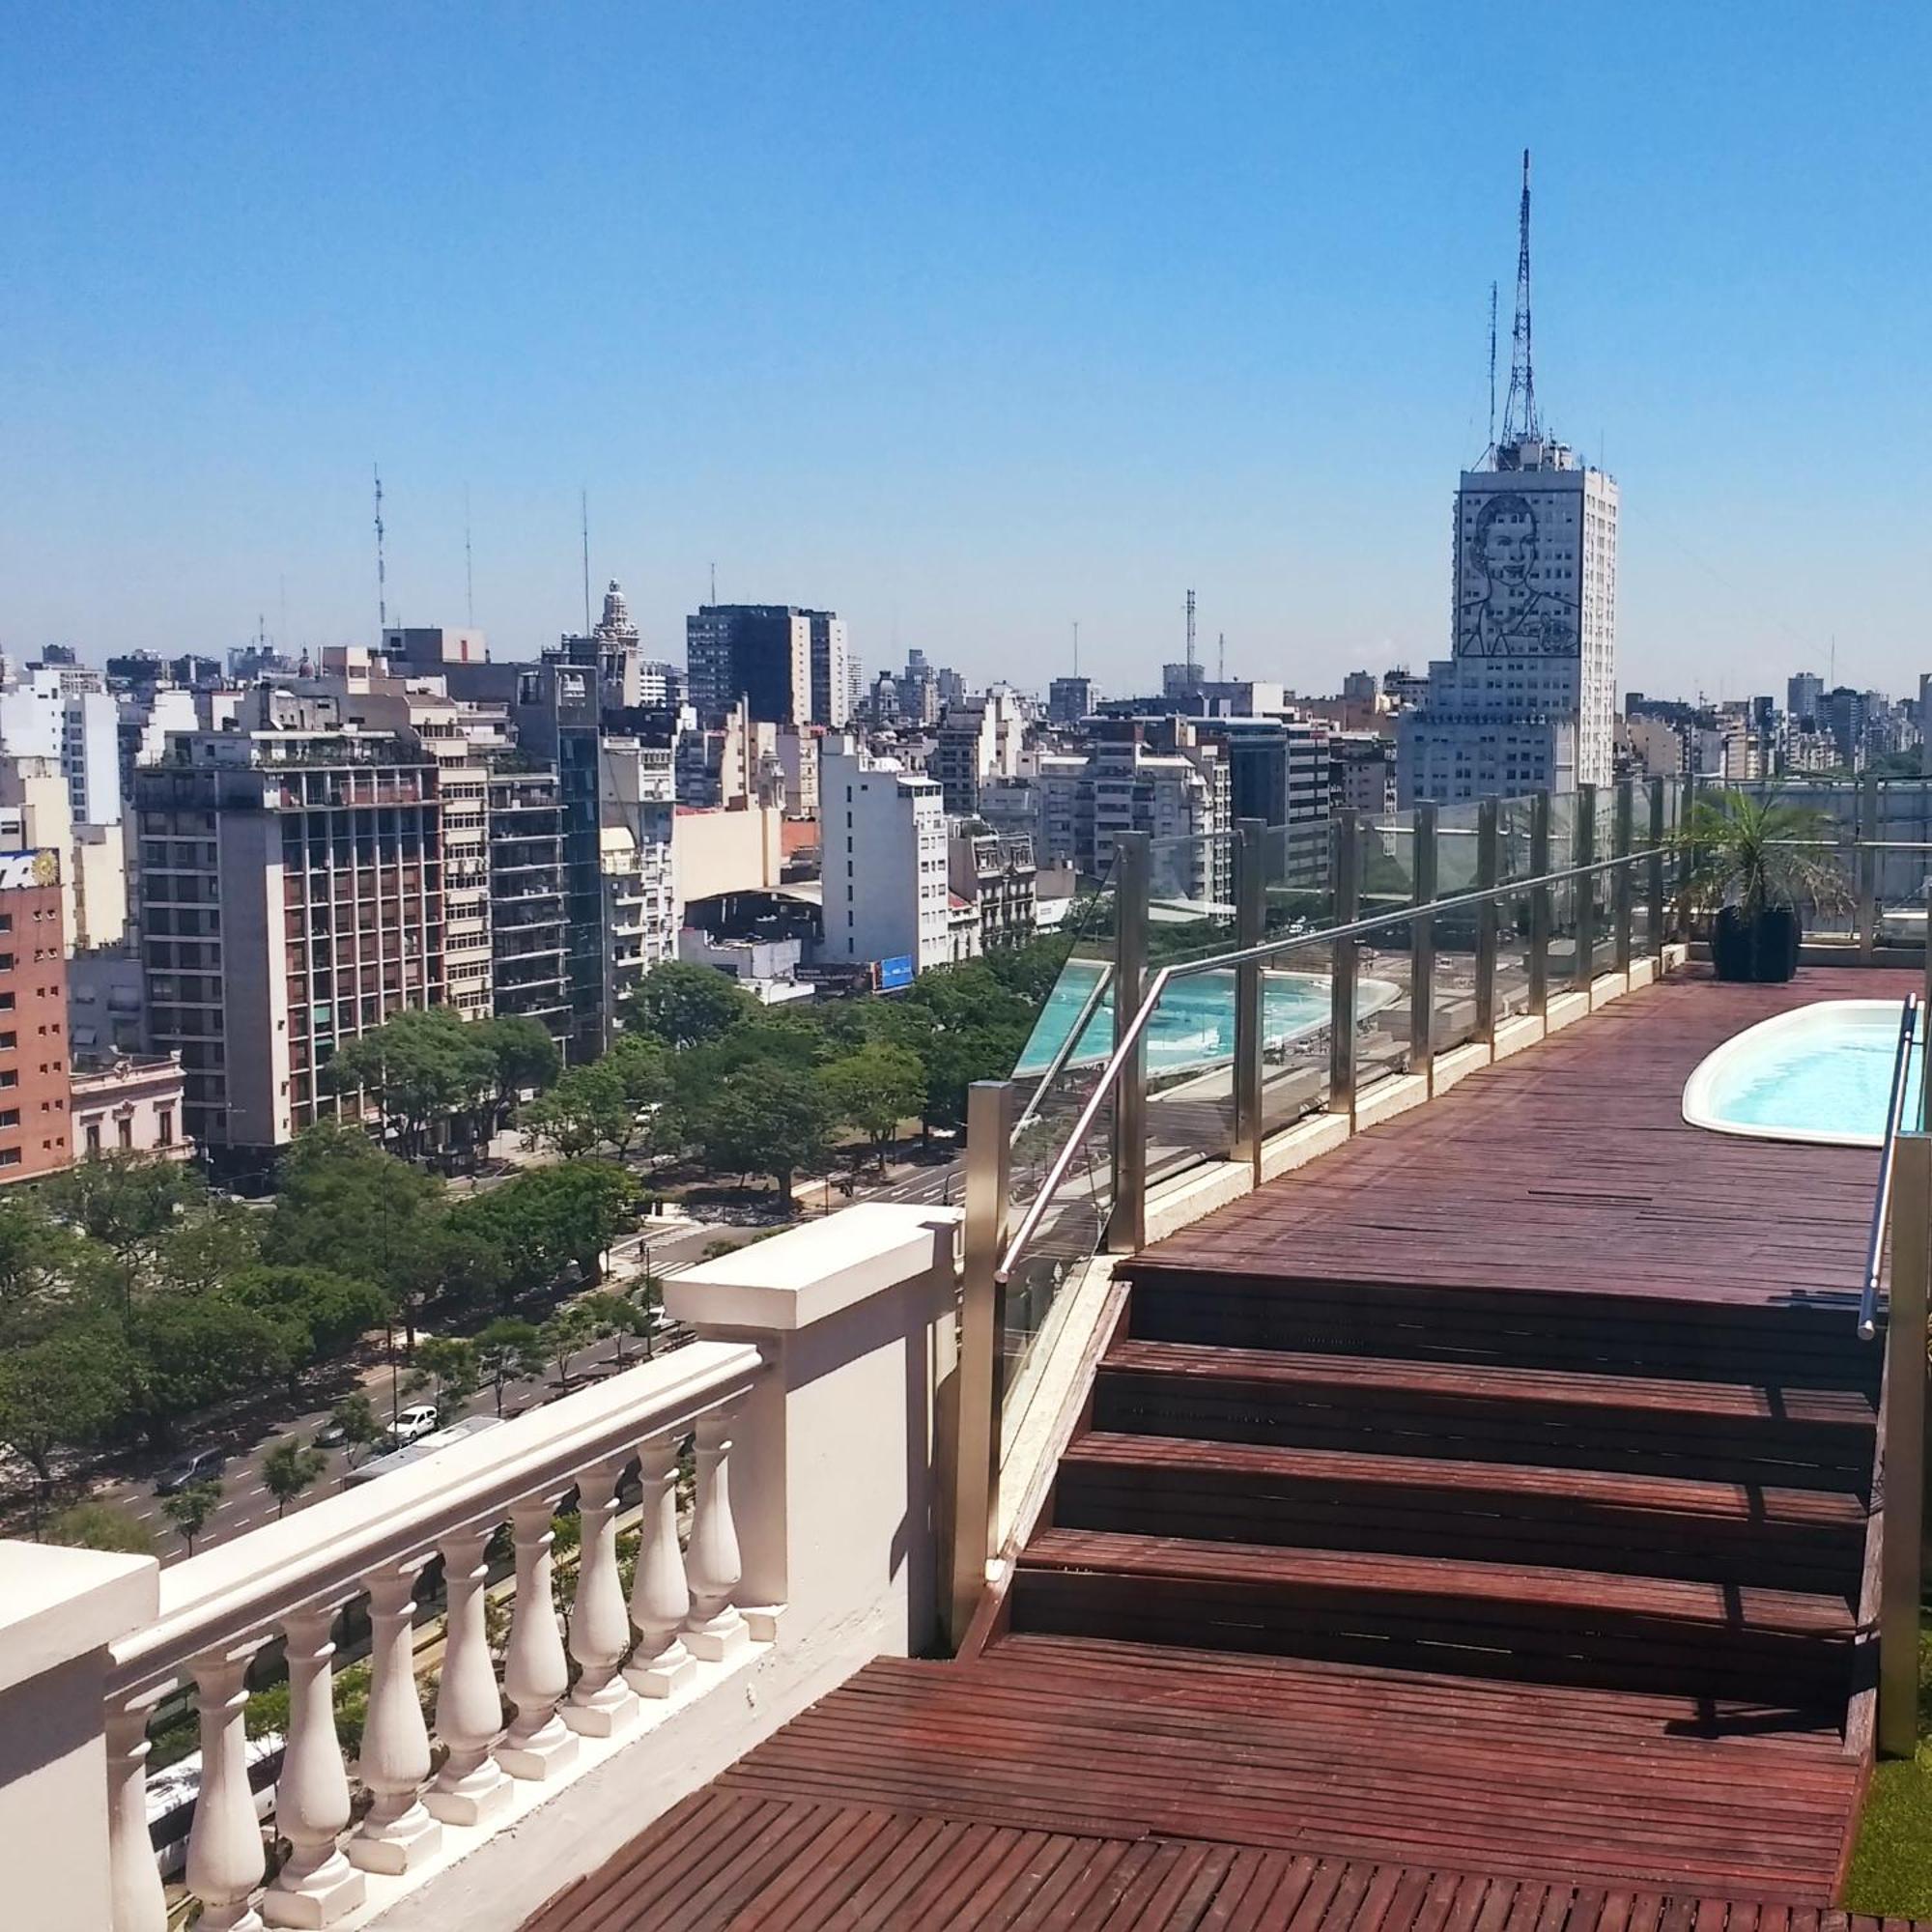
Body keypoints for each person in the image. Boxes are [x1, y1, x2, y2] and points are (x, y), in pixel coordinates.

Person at [1457, 492, 1577, 658]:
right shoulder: (1467, 618)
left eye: (1527, 541)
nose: (1518, 555)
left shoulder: (1560, 615)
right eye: (1504, 543)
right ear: (1481, 548)